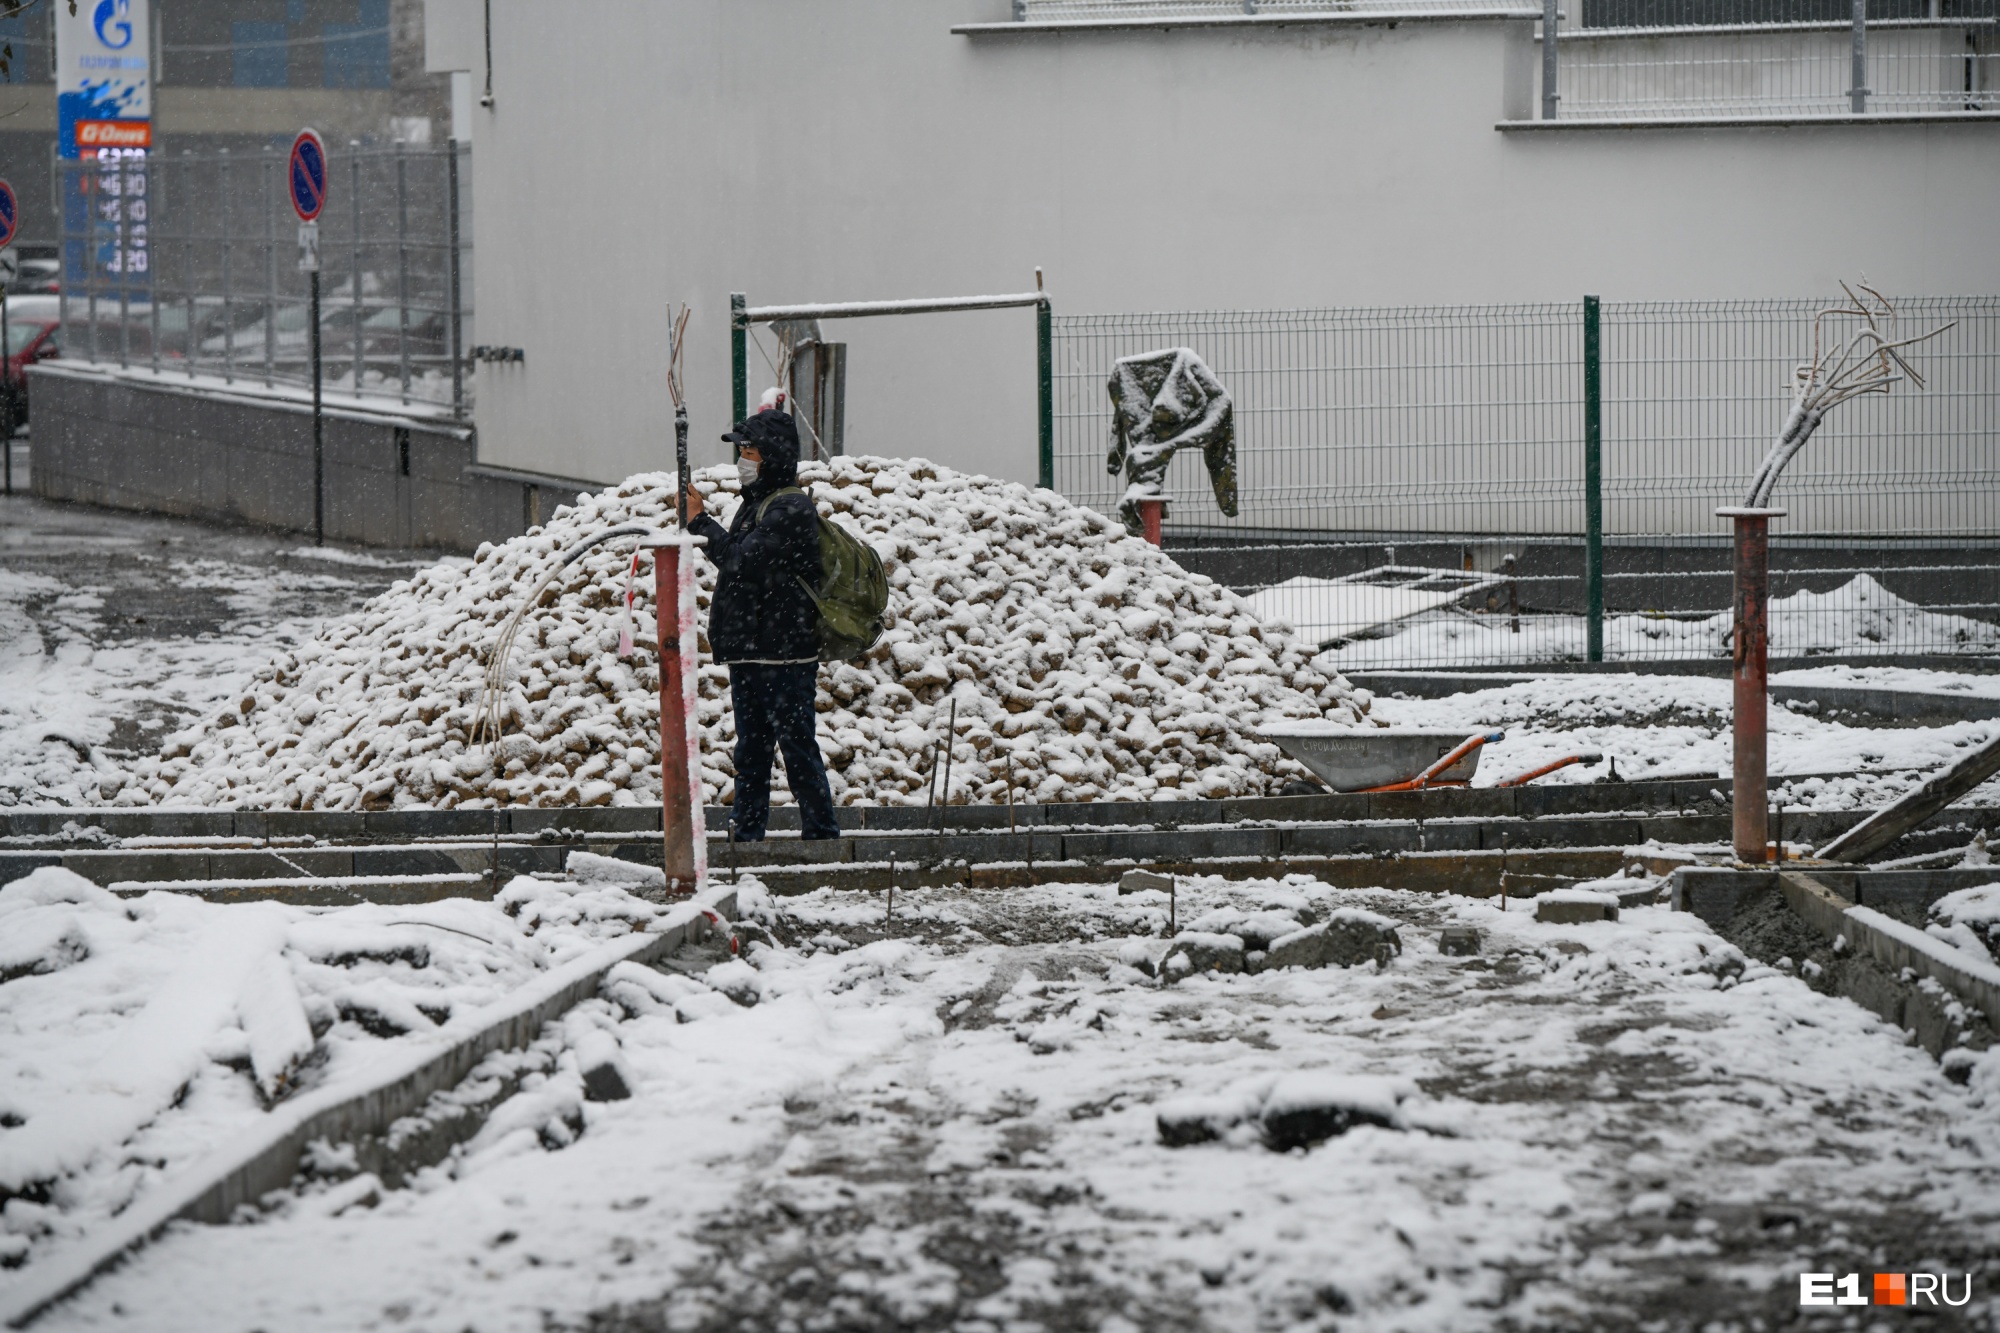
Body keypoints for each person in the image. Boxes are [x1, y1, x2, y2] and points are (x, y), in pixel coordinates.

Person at [683, 409, 841, 841]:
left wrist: (699, 521)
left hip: (785, 656)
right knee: (751, 753)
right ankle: (747, 836)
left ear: (770, 456)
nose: (743, 459)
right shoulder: (757, 503)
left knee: (797, 749)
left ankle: (822, 839)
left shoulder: (790, 507)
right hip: (754, 653)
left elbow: (739, 560)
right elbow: (740, 556)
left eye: (749, 450)